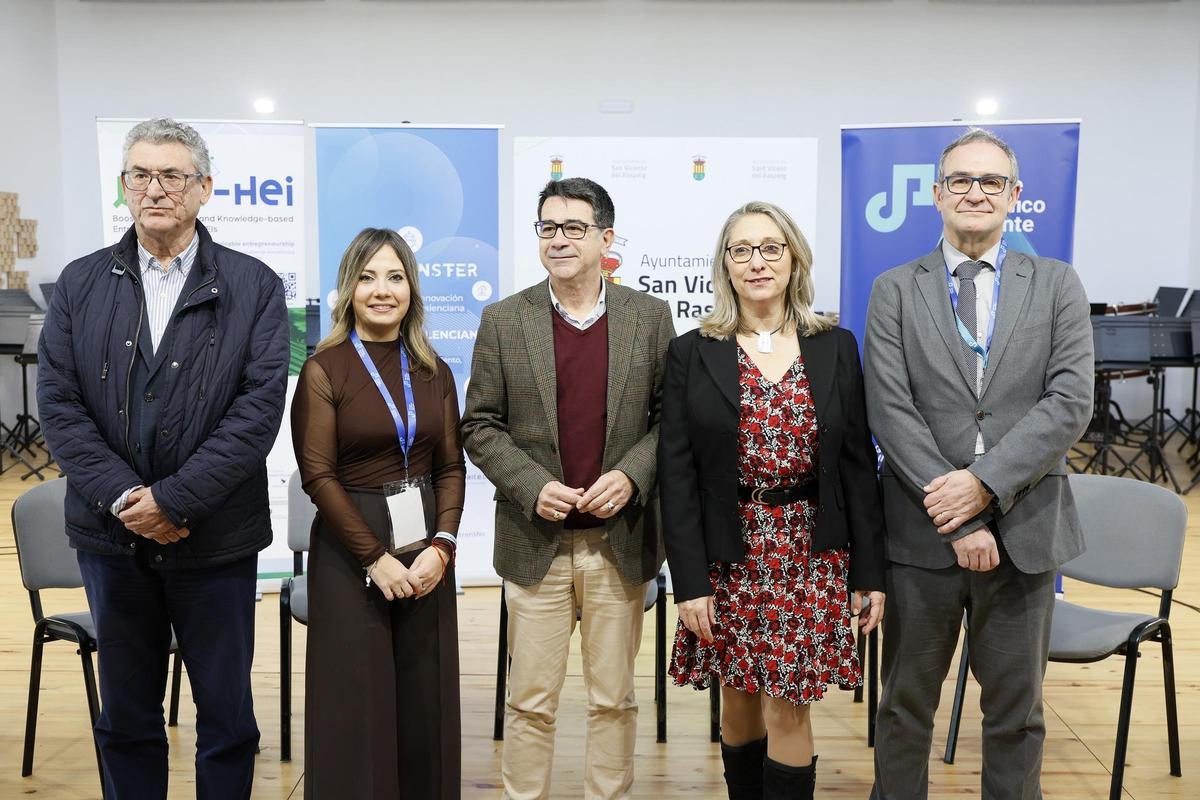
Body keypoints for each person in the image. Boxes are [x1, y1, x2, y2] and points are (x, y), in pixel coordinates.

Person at [36, 118, 289, 799]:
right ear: (124, 187)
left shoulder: (256, 286)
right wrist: (127, 499)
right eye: (140, 175)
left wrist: (174, 500)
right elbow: (59, 407)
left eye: (172, 175)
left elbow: (256, 412)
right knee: (126, 718)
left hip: (216, 540)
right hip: (111, 541)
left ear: (203, 188)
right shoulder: (80, 284)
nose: (155, 189)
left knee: (229, 720)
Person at [863, 128, 1094, 799]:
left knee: (1017, 717)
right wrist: (958, 515)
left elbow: (1071, 400)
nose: (974, 192)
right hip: (921, 535)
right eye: (960, 180)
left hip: (1025, 533)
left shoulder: (1056, 284)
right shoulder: (894, 290)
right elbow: (890, 408)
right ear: (936, 194)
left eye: (990, 181)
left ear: (1014, 196)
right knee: (904, 708)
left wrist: (984, 487)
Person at [660, 201, 885, 800]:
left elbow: (859, 467)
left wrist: (871, 573)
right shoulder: (692, 352)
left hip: (809, 551)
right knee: (737, 699)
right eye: (742, 250)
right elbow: (675, 476)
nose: (757, 261)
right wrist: (688, 582)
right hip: (727, 554)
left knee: (789, 704)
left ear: (794, 260)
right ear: (725, 266)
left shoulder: (835, 346)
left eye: (771, 248)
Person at [462, 177, 675, 799]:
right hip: (537, 544)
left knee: (614, 699)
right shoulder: (504, 320)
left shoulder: (649, 317)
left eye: (573, 228)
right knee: (530, 703)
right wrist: (531, 485)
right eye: (547, 227)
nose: (558, 239)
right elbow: (479, 424)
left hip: (620, 541)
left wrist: (632, 475)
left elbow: (670, 422)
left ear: (605, 238)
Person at [291, 227, 465, 799]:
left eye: (394, 277)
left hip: (426, 546)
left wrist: (443, 546)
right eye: (367, 277)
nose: (381, 290)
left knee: (426, 698)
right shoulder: (325, 369)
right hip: (351, 546)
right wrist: (376, 559)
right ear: (349, 289)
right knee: (356, 706)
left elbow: (451, 469)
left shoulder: (434, 370)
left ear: (411, 288)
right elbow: (318, 476)